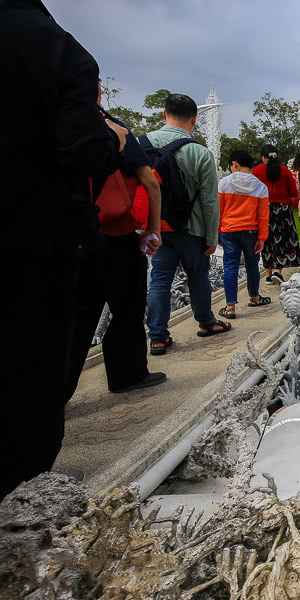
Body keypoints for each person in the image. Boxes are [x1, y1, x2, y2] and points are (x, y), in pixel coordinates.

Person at [0, 0, 127, 499]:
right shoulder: (55, 47)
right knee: (29, 370)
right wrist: (112, 141)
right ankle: (24, 496)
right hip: (32, 238)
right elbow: (79, 149)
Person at [65, 80, 168, 402]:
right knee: (126, 307)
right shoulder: (112, 129)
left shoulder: (56, 126)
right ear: (97, 92)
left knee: (78, 315)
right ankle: (127, 373)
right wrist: (153, 229)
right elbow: (149, 182)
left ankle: (57, 389)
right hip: (116, 235)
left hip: (71, 237)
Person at [145, 93, 229, 356]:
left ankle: (157, 336)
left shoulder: (141, 145)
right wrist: (211, 237)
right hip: (192, 230)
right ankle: (205, 322)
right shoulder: (200, 154)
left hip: (156, 226)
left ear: (163, 114)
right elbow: (208, 202)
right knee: (198, 276)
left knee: (159, 281)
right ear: (194, 120)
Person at [217, 150, 271, 319]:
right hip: (251, 232)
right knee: (252, 265)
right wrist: (262, 238)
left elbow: (218, 210)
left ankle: (230, 306)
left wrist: (217, 232)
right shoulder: (260, 186)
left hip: (229, 230)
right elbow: (263, 215)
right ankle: (254, 297)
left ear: (235, 165)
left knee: (230, 266)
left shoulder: (224, 183)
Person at [252, 144, 299, 285]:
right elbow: (294, 193)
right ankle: (278, 271)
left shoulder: (257, 171)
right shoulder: (284, 171)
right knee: (283, 240)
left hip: (264, 209)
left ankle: (268, 274)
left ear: (263, 157)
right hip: (282, 210)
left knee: (266, 240)